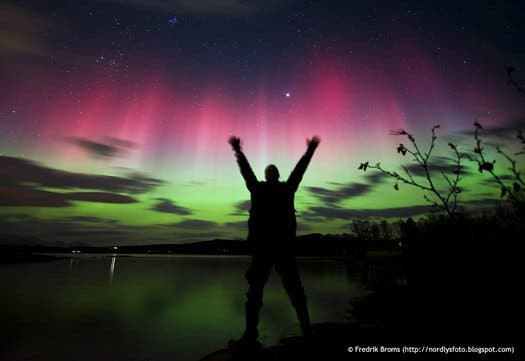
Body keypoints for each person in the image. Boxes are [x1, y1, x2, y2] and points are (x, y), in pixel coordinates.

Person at [228, 135, 321, 347]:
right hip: (265, 249)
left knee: (294, 290)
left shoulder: (285, 189)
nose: (270, 174)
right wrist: (238, 152)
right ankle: (251, 334)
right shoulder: (260, 188)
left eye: (272, 172)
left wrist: (309, 152)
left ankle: (307, 331)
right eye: (269, 171)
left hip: (281, 248)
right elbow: (247, 172)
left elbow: (299, 171)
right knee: (255, 293)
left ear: (276, 175)